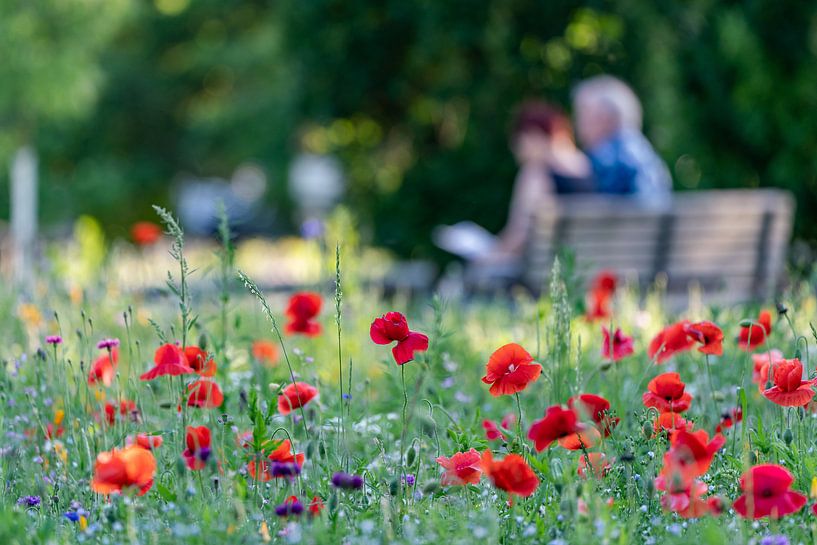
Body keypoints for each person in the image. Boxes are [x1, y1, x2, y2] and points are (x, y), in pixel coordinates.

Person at [434, 101, 592, 264]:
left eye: (518, 140)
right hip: (584, 264)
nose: (515, 149)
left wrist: (491, 255)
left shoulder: (536, 173)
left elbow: (520, 234)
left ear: (533, 136)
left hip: (543, 268)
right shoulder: (586, 167)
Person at [572, 75, 672, 206]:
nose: (577, 122)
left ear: (604, 118)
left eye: (583, 113)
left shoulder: (606, 157)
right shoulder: (643, 150)